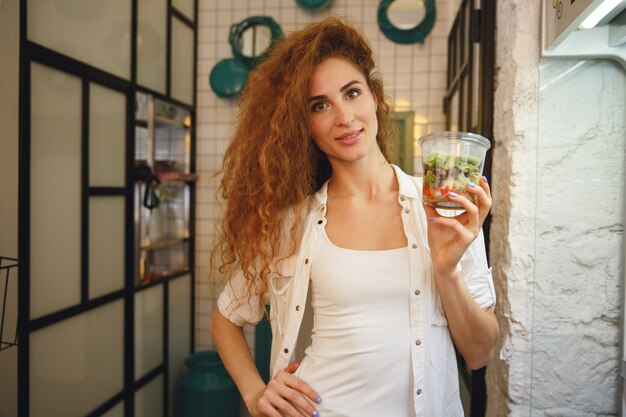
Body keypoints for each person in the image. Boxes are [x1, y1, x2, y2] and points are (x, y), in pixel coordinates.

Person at [209, 16, 499, 417]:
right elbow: (225, 318)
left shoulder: (443, 207)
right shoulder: (295, 223)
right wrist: (257, 395)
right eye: (320, 105)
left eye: (351, 92)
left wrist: (446, 270)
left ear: (374, 96)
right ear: (305, 125)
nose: (343, 117)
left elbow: (480, 353)